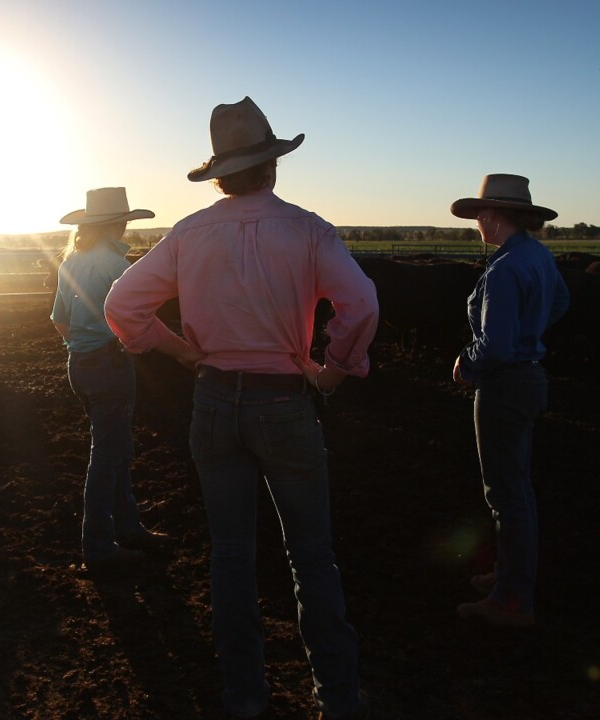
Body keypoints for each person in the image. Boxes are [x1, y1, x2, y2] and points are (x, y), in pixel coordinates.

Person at [104, 97, 377, 720]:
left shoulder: (189, 233)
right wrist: (333, 372)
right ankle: (337, 699)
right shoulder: (307, 229)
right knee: (311, 555)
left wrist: (179, 352)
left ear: (221, 174)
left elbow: (122, 304)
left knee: (230, 555)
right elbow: (361, 303)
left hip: (213, 402)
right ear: (273, 167)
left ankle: (245, 699)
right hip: (283, 399)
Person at [450, 173, 569, 626]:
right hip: (531, 379)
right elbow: (560, 302)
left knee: (505, 493)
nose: (477, 220)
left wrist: (467, 364)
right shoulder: (537, 255)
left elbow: (495, 348)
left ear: (495, 215)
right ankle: (510, 574)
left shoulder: (502, 269)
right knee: (518, 489)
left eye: (481, 212)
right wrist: (529, 334)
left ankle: (511, 599)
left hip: (503, 387)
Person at [51, 187, 166, 570]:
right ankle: (98, 546)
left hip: (80, 367)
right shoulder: (119, 267)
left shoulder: (71, 263)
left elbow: (60, 321)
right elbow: (139, 319)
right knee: (108, 454)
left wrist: (83, 346)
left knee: (113, 447)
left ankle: (128, 527)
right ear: (118, 224)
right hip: (109, 366)